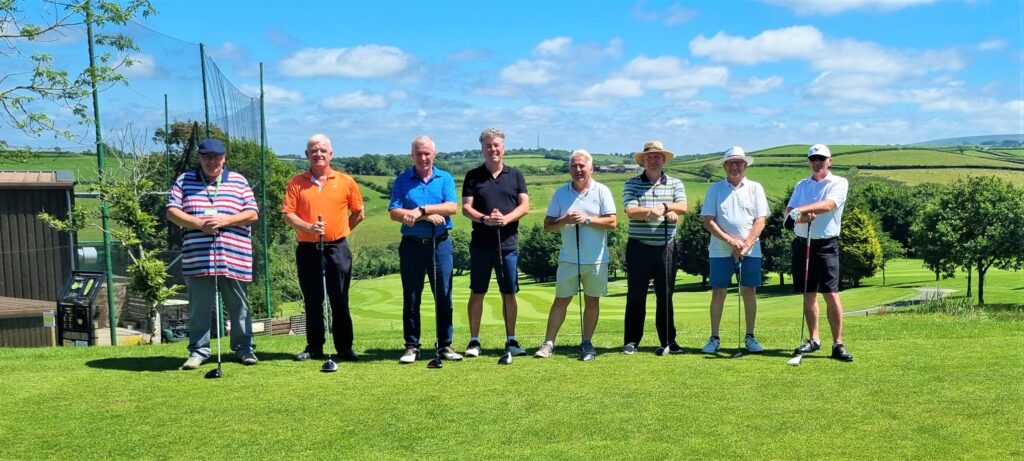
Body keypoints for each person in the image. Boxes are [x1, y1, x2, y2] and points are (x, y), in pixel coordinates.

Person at [167, 139, 260, 370]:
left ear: (224, 158)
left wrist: (225, 220)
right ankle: (198, 351)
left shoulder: (238, 180)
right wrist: (199, 224)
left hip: (234, 255)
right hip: (198, 257)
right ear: (200, 158)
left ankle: (244, 348)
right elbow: (172, 211)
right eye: (206, 157)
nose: (212, 162)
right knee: (199, 308)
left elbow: (252, 213)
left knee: (239, 306)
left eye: (216, 157)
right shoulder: (185, 180)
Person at [282, 134, 364, 362]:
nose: (318, 154)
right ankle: (314, 347)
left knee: (339, 299)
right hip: (308, 248)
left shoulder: (345, 181)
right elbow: (288, 215)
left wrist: (340, 231)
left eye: (323, 150)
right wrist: (308, 227)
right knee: (313, 300)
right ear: (306, 154)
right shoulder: (296, 182)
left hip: (337, 248)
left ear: (331, 154)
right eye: (313, 151)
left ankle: (344, 347)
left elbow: (358, 212)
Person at [534, 149, 617, 362]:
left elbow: (612, 222)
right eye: (574, 166)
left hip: (596, 259)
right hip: (569, 258)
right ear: (569, 168)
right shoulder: (561, 193)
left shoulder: (602, 191)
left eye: (582, 166)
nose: (578, 169)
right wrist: (565, 220)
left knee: (592, 301)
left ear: (591, 168)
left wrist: (587, 220)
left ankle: (586, 342)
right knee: (560, 300)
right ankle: (548, 343)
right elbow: (547, 226)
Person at [389, 135, 463, 364]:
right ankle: (412, 346)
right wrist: (427, 217)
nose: (423, 158)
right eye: (418, 154)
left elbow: (452, 207)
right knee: (412, 297)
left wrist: (421, 210)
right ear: (412, 155)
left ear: (434, 154)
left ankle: (444, 345)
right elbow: (395, 212)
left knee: (444, 296)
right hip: (412, 246)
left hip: (440, 244)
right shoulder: (403, 179)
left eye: (427, 153)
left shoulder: (445, 178)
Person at [461, 128, 529, 358]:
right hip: (481, 244)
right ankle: (474, 341)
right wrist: (485, 219)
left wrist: (505, 219)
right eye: (488, 146)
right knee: (477, 292)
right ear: (482, 149)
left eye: (496, 145)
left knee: (509, 293)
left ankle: (511, 340)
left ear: (504, 148)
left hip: (508, 244)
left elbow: (524, 206)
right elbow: (466, 207)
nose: (493, 149)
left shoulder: (516, 175)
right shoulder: (473, 175)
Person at [785, 143, 854, 362]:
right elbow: (789, 210)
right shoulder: (802, 185)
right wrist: (799, 217)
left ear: (829, 161)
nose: (817, 162)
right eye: (813, 159)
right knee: (809, 293)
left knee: (831, 293)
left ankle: (838, 343)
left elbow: (828, 205)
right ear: (809, 162)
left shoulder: (839, 182)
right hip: (802, 243)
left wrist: (800, 211)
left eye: (821, 159)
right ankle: (814, 340)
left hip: (826, 245)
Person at [699, 146, 769, 354]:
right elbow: (708, 221)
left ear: (745, 165)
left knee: (749, 291)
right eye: (730, 163)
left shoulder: (755, 188)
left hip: (751, 250)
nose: (734, 167)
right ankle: (714, 338)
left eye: (738, 163)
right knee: (718, 292)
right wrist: (731, 241)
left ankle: (750, 337)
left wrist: (745, 245)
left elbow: (760, 220)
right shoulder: (715, 189)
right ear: (725, 167)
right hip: (720, 249)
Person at [621, 141, 688, 355]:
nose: (653, 160)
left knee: (665, 295)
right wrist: (652, 212)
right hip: (638, 247)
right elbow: (630, 210)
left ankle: (669, 340)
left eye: (657, 156)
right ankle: (631, 341)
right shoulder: (632, 183)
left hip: (666, 246)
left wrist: (666, 207)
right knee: (636, 295)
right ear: (643, 160)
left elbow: (683, 206)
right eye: (649, 157)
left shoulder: (675, 183)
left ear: (663, 159)